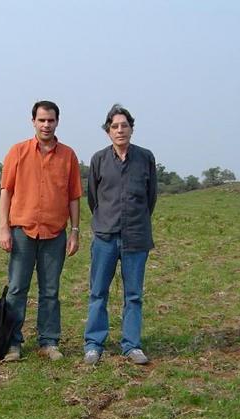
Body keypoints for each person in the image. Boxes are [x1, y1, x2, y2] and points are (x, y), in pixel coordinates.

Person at [0, 100, 82, 362]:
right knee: (17, 289)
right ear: (33, 121)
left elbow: (74, 196)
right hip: (22, 231)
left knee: (50, 290)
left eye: (51, 120)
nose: (46, 125)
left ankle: (49, 341)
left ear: (58, 122)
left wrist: (75, 230)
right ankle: (13, 343)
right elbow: (6, 191)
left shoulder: (68, 155)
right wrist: (4, 228)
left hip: (55, 233)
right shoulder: (18, 151)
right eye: (42, 120)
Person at [83, 104, 157, 365]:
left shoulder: (145, 158)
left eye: (124, 125)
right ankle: (93, 344)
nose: (120, 130)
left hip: (136, 236)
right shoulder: (98, 160)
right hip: (105, 236)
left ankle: (131, 344)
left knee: (134, 294)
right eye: (114, 126)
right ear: (108, 131)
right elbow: (93, 198)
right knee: (98, 292)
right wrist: (106, 220)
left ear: (132, 129)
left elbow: (151, 199)